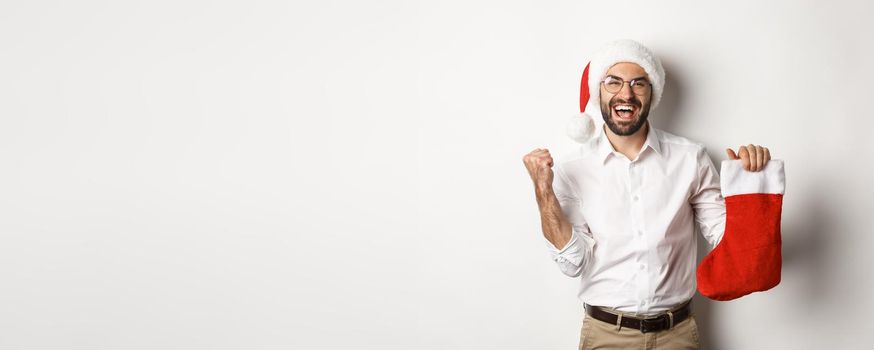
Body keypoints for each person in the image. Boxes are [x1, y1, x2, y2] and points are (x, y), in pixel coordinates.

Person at [521, 40, 778, 349]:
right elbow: (573, 263)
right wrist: (542, 189)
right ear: (597, 93)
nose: (625, 93)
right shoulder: (571, 169)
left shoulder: (690, 158)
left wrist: (750, 191)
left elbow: (728, 242)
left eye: (637, 83)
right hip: (606, 336)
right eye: (613, 82)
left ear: (651, 93)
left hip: (677, 335)